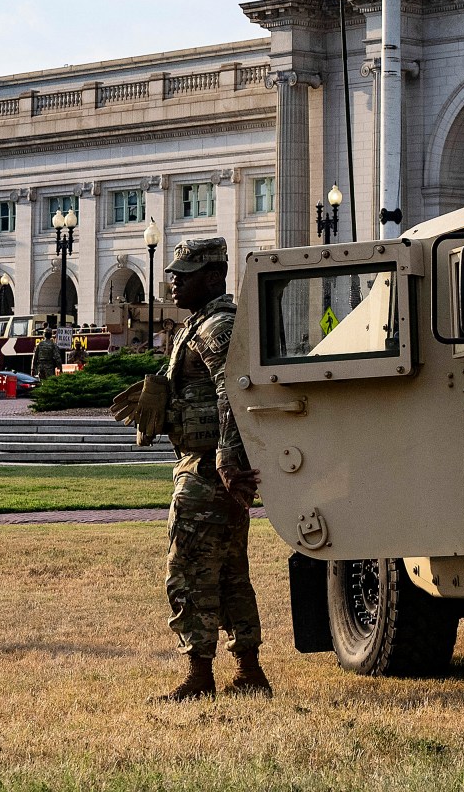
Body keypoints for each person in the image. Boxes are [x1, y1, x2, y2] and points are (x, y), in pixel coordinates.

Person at [155, 235, 267, 701]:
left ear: (214, 275)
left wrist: (226, 457)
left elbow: (232, 390)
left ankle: (199, 676)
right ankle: (249, 671)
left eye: (185, 275)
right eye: (174, 276)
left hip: (208, 470)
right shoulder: (203, 322)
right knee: (228, 569)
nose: (175, 283)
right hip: (208, 465)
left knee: (188, 569)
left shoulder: (217, 325)